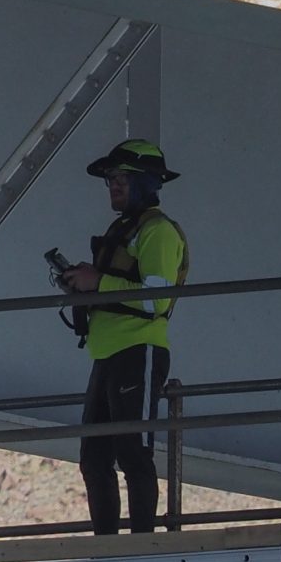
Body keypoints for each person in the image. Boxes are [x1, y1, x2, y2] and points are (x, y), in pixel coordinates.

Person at [54, 139, 189, 534]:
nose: (113, 184)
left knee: (133, 451)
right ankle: (106, 544)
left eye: (122, 178)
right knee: (93, 458)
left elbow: (157, 301)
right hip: (108, 352)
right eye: (111, 179)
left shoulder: (158, 231)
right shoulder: (126, 228)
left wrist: (97, 281)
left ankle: (142, 542)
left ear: (147, 182)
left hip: (138, 349)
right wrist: (87, 285)